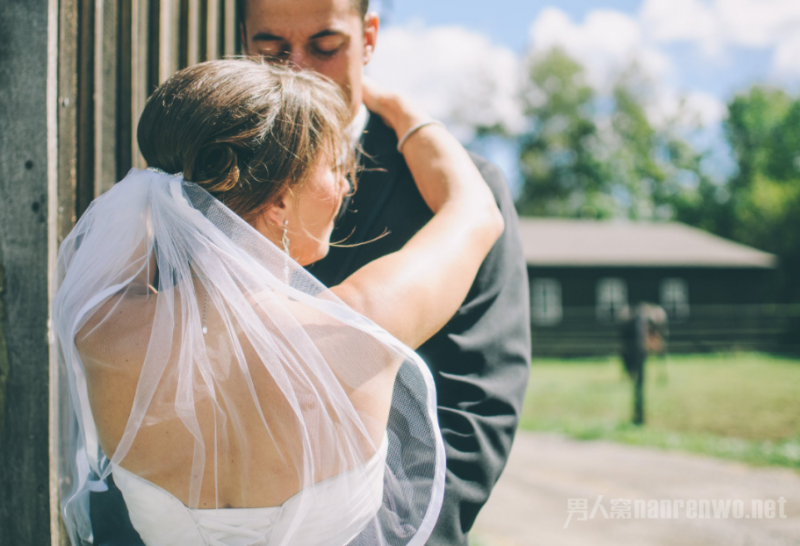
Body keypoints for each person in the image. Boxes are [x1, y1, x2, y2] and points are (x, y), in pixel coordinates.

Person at [54, 59, 503, 546]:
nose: (346, 185)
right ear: (280, 201)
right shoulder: (359, 327)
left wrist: (168, 188)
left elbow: (138, 230)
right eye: (335, 167)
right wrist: (396, 106)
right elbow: (475, 211)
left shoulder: (101, 329)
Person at [240, 1, 531, 544]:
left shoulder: (458, 187)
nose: (299, 69)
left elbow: (477, 402)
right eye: (272, 50)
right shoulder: (208, 176)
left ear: (368, 37)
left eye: (326, 46)